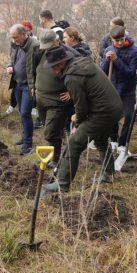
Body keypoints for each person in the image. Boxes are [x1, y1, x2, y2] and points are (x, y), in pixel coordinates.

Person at [43, 47, 124, 192]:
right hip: (114, 108)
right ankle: (108, 174)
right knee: (100, 140)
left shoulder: (72, 77)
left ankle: (62, 184)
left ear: (61, 64)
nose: (52, 71)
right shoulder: (82, 63)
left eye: (53, 67)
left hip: (103, 112)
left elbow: (80, 105)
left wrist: (78, 123)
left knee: (74, 144)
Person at [34, 30, 74, 163]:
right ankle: (57, 149)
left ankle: (55, 160)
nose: (46, 50)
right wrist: (33, 86)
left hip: (57, 101)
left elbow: (81, 75)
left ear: (57, 41)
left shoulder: (70, 54)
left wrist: (72, 93)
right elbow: (33, 69)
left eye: (49, 46)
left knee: (50, 133)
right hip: (40, 98)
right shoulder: (40, 52)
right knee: (51, 129)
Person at [101, 26, 137, 155]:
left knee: (129, 117)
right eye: (116, 40)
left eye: (121, 39)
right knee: (112, 115)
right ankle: (113, 140)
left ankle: (123, 143)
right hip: (112, 89)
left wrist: (116, 60)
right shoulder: (109, 49)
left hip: (128, 90)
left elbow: (130, 73)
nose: (119, 42)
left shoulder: (135, 51)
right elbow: (103, 71)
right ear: (111, 39)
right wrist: (107, 60)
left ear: (125, 36)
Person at [6, 24, 40, 155]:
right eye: (12, 37)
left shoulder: (35, 46)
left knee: (26, 113)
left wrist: (35, 86)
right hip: (17, 83)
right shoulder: (15, 44)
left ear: (24, 34)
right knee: (21, 111)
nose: (14, 40)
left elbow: (40, 67)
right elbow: (12, 59)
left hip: (28, 85)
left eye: (16, 37)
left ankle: (28, 144)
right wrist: (10, 66)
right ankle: (24, 136)